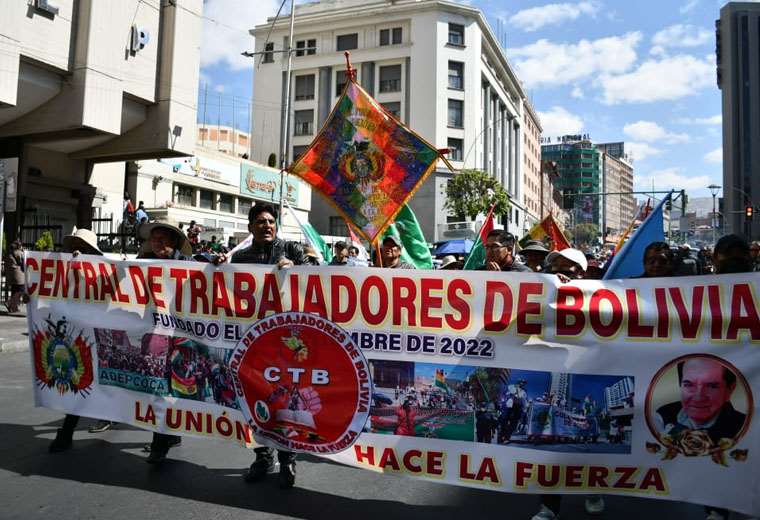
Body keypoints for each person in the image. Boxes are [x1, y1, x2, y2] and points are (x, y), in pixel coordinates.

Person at [221, 204, 304, 488]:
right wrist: (218, 268)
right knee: (256, 402)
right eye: (260, 222)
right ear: (250, 228)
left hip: (285, 343)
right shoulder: (242, 257)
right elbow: (224, 286)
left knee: (284, 402)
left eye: (271, 221)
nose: (267, 225)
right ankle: (262, 456)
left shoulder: (291, 250)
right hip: (253, 344)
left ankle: (287, 460)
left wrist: (296, 269)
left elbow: (315, 278)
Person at [533, 248, 605, 519]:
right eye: (555, 267)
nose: (560, 272)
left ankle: (593, 488)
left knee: (585, 443)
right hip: (553, 368)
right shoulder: (540, 292)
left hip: (586, 369)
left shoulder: (600, 295)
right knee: (552, 451)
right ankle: (549, 506)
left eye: (569, 268)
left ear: (583, 273)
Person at [48, 229, 113, 453]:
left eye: (83, 247)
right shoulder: (62, 268)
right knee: (79, 380)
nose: (76, 250)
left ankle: (163, 436)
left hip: (100, 334)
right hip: (75, 336)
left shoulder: (104, 270)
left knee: (103, 382)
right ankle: (66, 432)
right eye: (73, 246)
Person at [137, 221, 194, 463]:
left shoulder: (190, 265)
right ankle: (162, 439)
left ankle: (166, 437)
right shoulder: (144, 262)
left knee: (176, 387)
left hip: (182, 336)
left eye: (162, 239)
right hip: (156, 334)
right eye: (153, 239)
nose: (156, 243)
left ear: (173, 242)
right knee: (158, 386)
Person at [655, 357, 746, 444]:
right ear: (681, 386)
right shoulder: (662, 416)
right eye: (689, 385)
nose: (698, 398)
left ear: (730, 390)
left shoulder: (743, 426)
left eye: (711, 386)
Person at [4, 240, 25, 313]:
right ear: (19, 246)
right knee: (21, 290)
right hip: (18, 274)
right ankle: (9, 302)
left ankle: (13, 308)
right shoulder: (19, 253)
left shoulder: (9, 253)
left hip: (11, 275)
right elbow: (23, 262)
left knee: (14, 291)